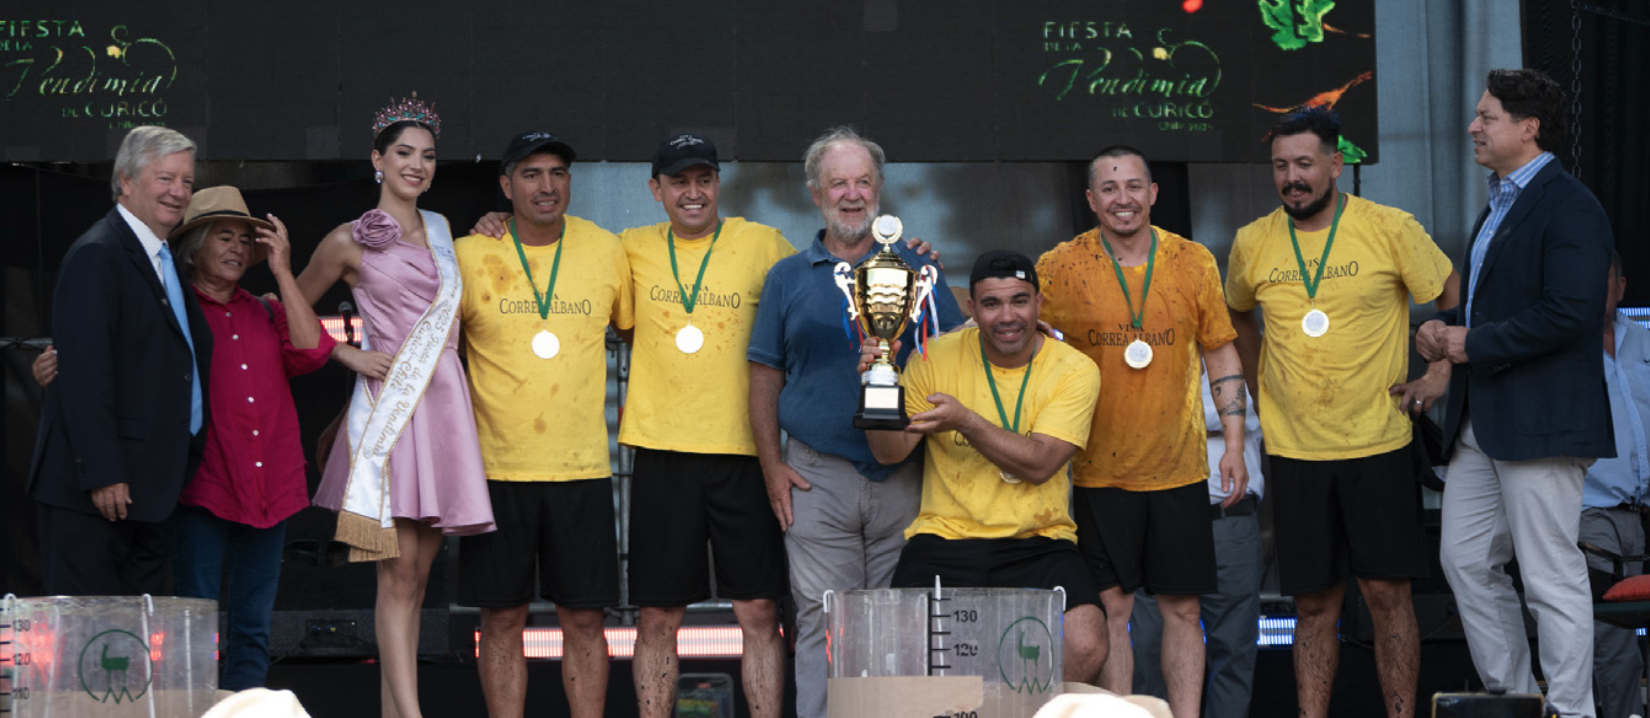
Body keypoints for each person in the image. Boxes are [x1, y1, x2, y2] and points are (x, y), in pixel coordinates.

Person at [36, 186, 337, 689]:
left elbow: (310, 353)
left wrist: (284, 271)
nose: (238, 248)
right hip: (204, 486)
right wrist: (56, 362)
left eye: (246, 239)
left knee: (253, 629)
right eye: (224, 236)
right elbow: (105, 353)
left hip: (272, 488)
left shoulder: (264, 309)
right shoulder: (167, 308)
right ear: (194, 245)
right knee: (195, 631)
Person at [1227, 106, 1458, 718]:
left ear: (1336, 163)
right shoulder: (1252, 242)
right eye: (1280, 166)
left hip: (1379, 440)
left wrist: (1438, 367)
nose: (1291, 178)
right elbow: (1236, 313)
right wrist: (1258, 385)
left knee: (1387, 595)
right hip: (1296, 448)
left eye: (1304, 163)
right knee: (1311, 604)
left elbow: (1450, 290)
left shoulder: (1389, 227)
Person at [746, 126, 965, 718]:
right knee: (822, 619)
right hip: (816, 476)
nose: (851, 194)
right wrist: (773, 468)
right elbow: (765, 376)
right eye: (838, 182)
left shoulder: (918, 269)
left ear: (880, 189)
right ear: (815, 193)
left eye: (863, 181)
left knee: (900, 623)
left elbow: (957, 351)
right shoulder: (788, 277)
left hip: (906, 472)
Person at [1418, 68, 1616, 718]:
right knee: (1466, 561)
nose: (1473, 127)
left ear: (1529, 128)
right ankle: (1516, 702)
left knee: (1548, 573)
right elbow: (1496, 305)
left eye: (1487, 117)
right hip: (1484, 418)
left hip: (1542, 420)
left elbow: (1572, 311)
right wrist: (1447, 337)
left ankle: (1572, 711)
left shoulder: (1569, 204)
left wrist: (1471, 343)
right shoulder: (1499, 201)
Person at [298, 95, 495, 718]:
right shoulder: (346, 240)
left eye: (428, 156)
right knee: (394, 577)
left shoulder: (445, 232)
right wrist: (348, 355)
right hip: (388, 413)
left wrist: (492, 224)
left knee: (417, 579)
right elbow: (289, 314)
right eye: (404, 153)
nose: (417, 165)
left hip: (443, 411)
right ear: (378, 159)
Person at [1037, 145, 1247, 717]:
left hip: (1179, 467)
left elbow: (1221, 353)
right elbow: (1025, 342)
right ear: (1090, 200)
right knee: (1114, 610)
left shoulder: (1193, 261)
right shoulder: (1058, 266)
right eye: (1109, 189)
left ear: (1153, 193)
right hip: (1095, 470)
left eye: (1133, 186)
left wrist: (1232, 444)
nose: (1122, 199)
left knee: (1184, 610)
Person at [864, 250, 1108, 684]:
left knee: (1087, 642)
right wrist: (873, 384)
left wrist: (966, 421)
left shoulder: (1074, 369)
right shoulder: (932, 357)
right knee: (898, 648)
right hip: (945, 536)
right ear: (972, 310)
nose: (1007, 315)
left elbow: (1040, 464)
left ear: (1039, 303)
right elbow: (890, 453)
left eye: (1019, 300)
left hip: (1038, 538)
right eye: (992, 304)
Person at [453, 131, 630, 718]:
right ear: (506, 186)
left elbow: (633, 333)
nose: (547, 185)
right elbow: (435, 351)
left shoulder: (608, 251)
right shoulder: (468, 253)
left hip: (581, 468)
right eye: (531, 174)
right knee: (500, 619)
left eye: (557, 173)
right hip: (495, 468)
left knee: (584, 618)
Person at [618, 134, 795, 718]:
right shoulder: (628, 249)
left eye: (704, 180)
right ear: (656, 190)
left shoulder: (763, 242)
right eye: (678, 182)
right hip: (662, 452)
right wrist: (494, 219)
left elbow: (824, 291)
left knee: (760, 613)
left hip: (746, 453)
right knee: (657, 617)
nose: (693, 193)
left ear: (719, 183)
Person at [27, 125, 211, 596]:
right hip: (98, 493)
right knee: (88, 646)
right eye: (165, 178)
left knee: (135, 647)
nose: (178, 191)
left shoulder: (162, 258)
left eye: (187, 182)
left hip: (150, 490)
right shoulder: (99, 253)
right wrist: (105, 471)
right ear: (125, 181)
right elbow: (85, 375)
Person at [1129, 368, 1266, 718]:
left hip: (1227, 519)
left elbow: (1247, 411)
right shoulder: (1139, 356)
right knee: (1147, 649)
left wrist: (1159, 418)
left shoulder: (1241, 360)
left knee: (1234, 651)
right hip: (1156, 522)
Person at [1580, 253, 1648, 718]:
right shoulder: (1563, 350)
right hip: (1590, 515)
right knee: (1612, 640)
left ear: (1621, 287)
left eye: (1602, 281)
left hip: (1642, 513)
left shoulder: (1644, 343)